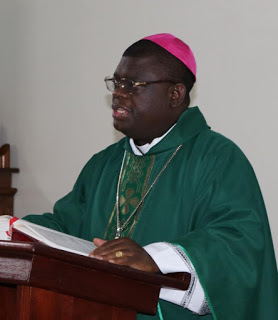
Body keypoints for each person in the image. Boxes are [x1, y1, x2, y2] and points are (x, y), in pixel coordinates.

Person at [18, 33, 278, 319]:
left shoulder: (217, 158)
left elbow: (238, 246)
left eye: (132, 85)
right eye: (117, 82)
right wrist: (12, 228)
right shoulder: (104, 164)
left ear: (175, 94)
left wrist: (155, 258)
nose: (118, 93)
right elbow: (64, 228)